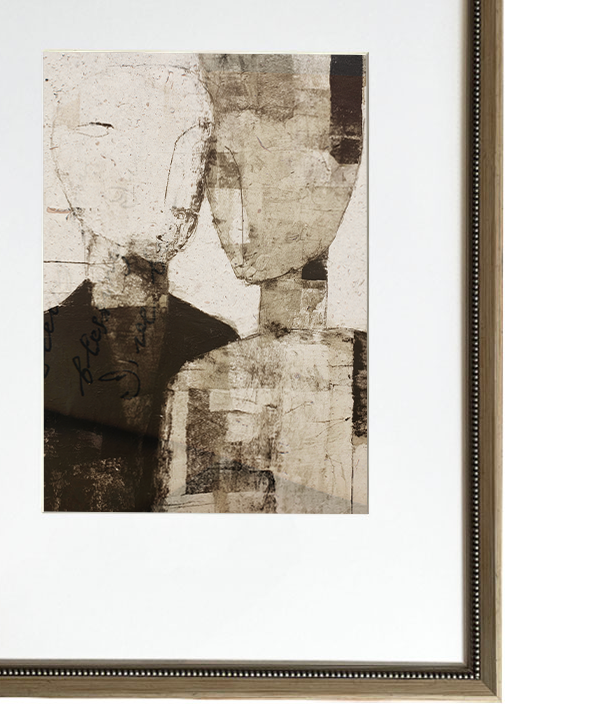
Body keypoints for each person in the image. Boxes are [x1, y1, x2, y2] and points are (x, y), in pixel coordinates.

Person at [155, 53, 369, 514]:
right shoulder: (201, 378)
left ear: (343, 171)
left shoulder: (376, 376)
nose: (225, 199)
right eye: (216, 164)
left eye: (264, 159)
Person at [43, 53, 237, 512]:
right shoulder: (36, 349)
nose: (186, 184)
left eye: (197, 155)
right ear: (80, 175)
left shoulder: (220, 347)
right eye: (152, 153)